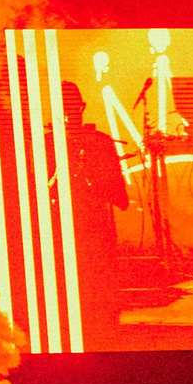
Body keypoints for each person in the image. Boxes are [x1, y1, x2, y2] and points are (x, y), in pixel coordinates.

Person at [61, 79, 131, 345]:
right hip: (93, 232)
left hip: (66, 235)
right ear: (82, 107)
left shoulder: (44, 144)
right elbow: (120, 197)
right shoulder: (100, 143)